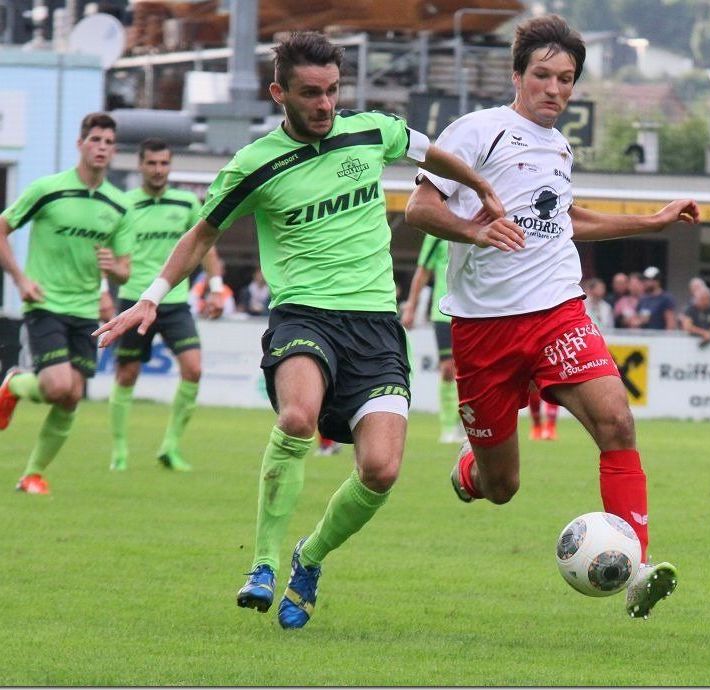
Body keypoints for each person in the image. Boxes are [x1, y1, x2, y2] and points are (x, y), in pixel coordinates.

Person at [93, 31, 505, 629]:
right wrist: (153, 297)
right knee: (296, 418)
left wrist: (481, 186)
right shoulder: (254, 164)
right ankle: (261, 562)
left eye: (333, 91)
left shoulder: (371, 130)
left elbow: (428, 150)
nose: (325, 104)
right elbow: (201, 235)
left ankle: (308, 557)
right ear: (278, 92)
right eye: (311, 93)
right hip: (303, 316)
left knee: (382, 470)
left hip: (376, 325)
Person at [404, 14, 700, 619]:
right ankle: (470, 472)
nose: (555, 89)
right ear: (518, 76)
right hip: (483, 329)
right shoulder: (477, 132)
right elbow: (418, 208)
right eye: (543, 75)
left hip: (556, 312)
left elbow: (565, 218)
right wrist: (474, 230)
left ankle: (638, 566)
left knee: (617, 423)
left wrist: (650, 222)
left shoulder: (559, 146)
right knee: (502, 486)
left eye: (566, 79)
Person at [0, 112, 133, 494]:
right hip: (45, 303)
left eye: (108, 142)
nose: (102, 148)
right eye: (95, 140)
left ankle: (32, 474)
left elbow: (125, 270)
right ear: (80, 144)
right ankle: (17, 383)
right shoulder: (48, 189)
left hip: (87, 311)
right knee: (59, 385)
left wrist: (115, 271)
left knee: (71, 396)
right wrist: (20, 279)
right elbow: (2, 229)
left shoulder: (119, 205)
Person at [108, 138, 224, 472]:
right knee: (127, 373)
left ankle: (170, 447)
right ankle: (119, 453)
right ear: (140, 165)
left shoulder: (186, 201)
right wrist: (104, 290)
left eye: (164, 163)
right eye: (152, 163)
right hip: (134, 299)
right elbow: (105, 250)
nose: (158, 170)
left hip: (174, 302)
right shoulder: (124, 204)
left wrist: (215, 288)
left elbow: (205, 247)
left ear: (170, 166)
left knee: (194, 369)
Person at [401, 234, 465, 443]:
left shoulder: (477, 222)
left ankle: (468, 422)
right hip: (443, 312)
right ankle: (448, 427)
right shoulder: (435, 233)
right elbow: (423, 271)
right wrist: (411, 305)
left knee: (471, 371)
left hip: (472, 312)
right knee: (447, 369)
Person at [636, 266, 677, 330]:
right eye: (645, 280)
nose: (645, 283)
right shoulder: (643, 299)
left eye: (648, 280)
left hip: (659, 337)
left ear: (656, 281)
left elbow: (671, 323)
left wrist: (667, 338)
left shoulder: (666, 298)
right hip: (644, 337)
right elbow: (638, 317)